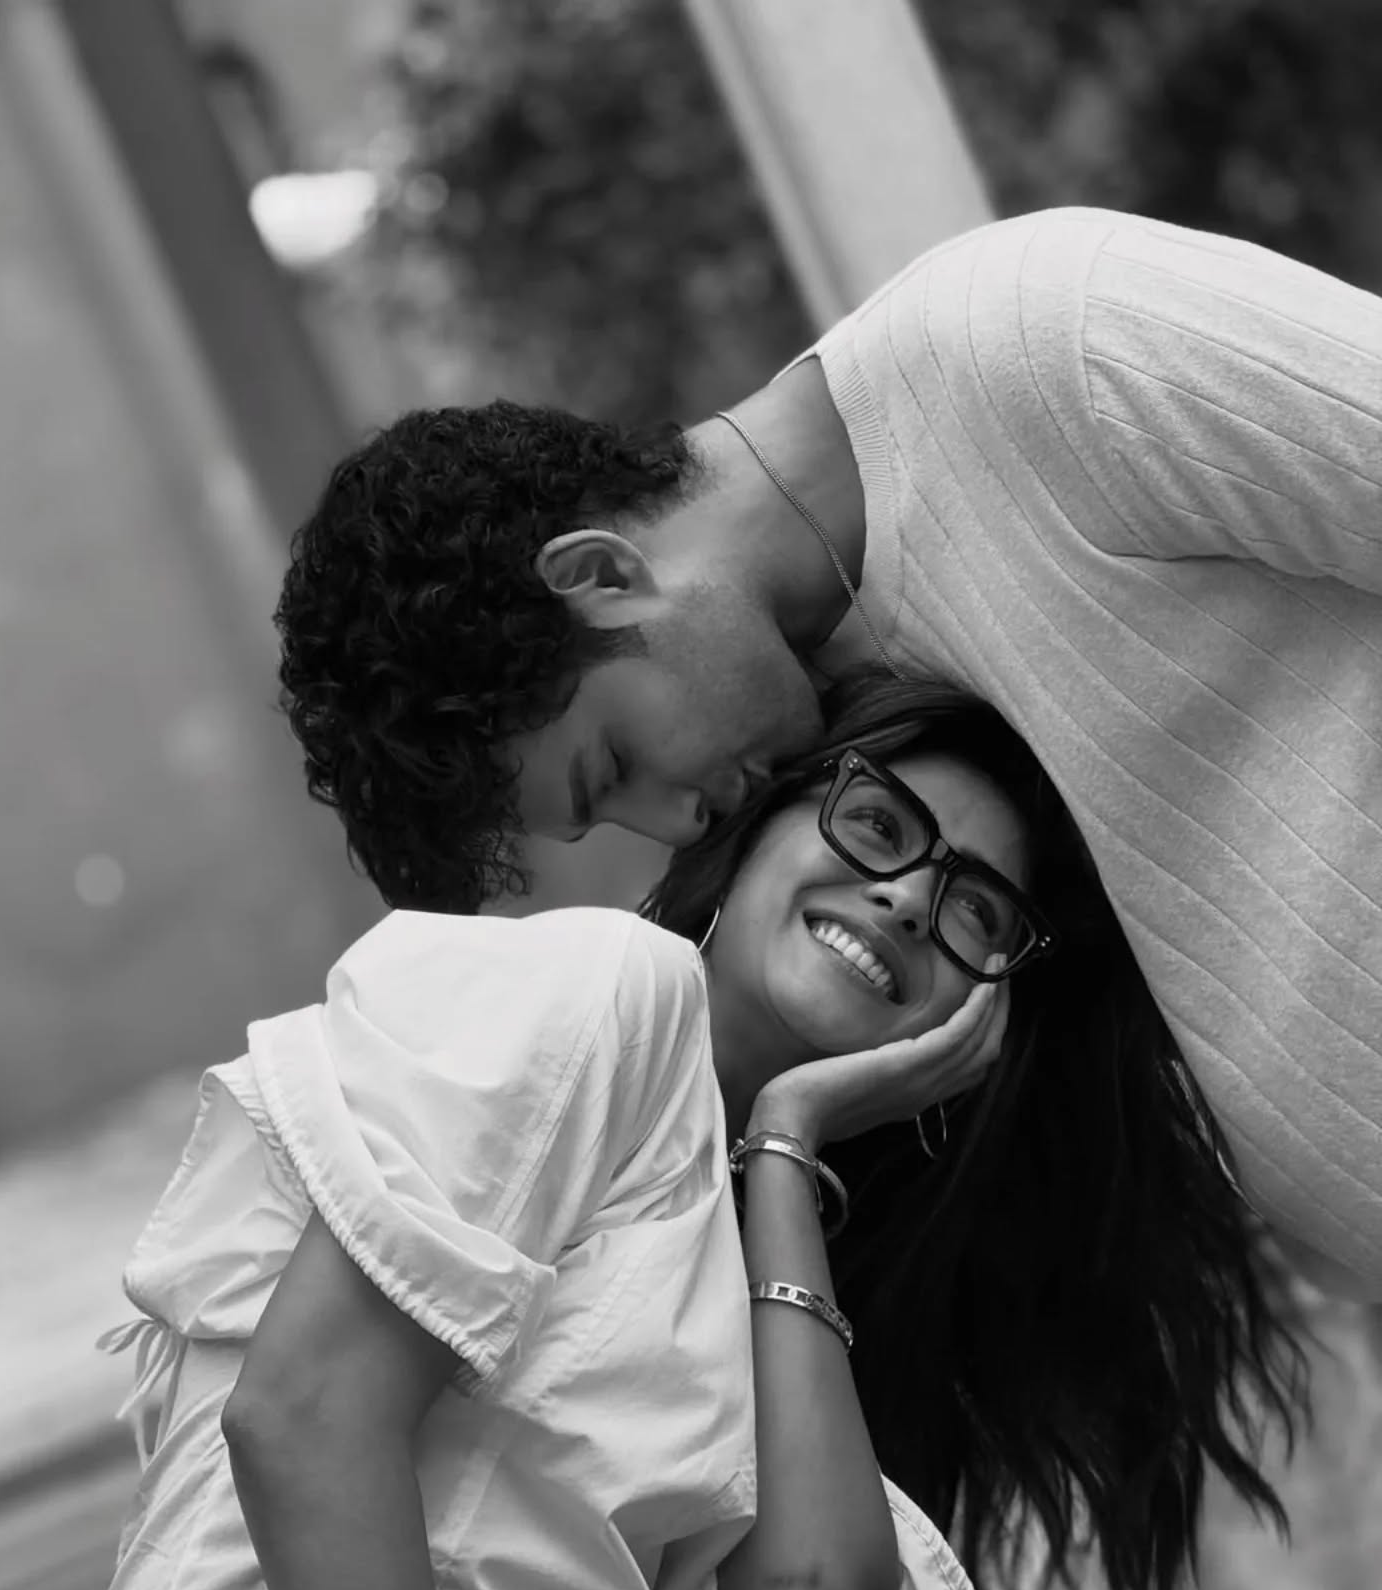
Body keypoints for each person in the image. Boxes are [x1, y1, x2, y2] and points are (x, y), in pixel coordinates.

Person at [69, 676, 1299, 1590]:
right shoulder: (605, 987)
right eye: (879, 827)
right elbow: (301, 1419)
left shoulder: (750, 1241)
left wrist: (787, 1145)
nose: (908, 901)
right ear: (753, 825)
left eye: (975, 907)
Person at [275, 206, 1382, 1300]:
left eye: (612, 770)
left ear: (602, 576)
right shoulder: (837, 750)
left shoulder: (1044, 344)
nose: (677, 824)